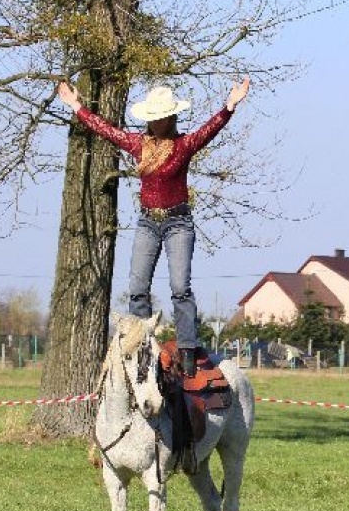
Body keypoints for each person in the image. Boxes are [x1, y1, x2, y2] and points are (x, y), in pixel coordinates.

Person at [57, 76, 250, 376]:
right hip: (148, 222)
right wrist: (76, 106)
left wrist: (230, 106)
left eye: (162, 118)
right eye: (154, 118)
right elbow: (107, 130)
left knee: (179, 287)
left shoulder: (183, 145)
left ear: (170, 118)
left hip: (178, 223)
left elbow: (208, 130)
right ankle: (143, 343)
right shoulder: (138, 144)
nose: (158, 123)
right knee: (137, 288)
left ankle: (187, 348)